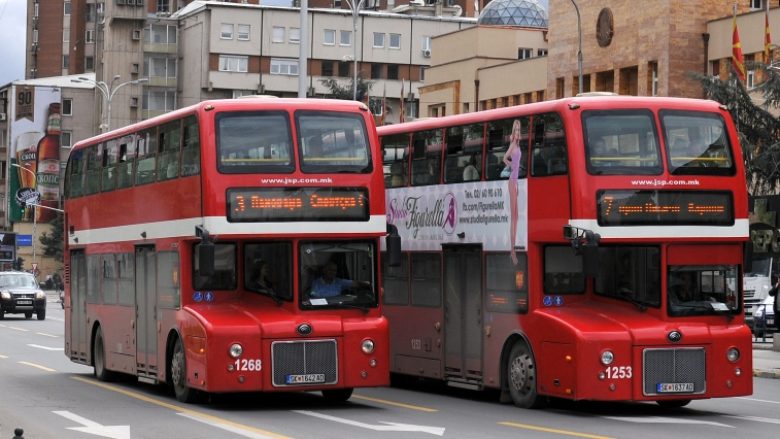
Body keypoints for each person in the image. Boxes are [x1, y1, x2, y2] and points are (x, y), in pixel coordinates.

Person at [503, 119, 522, 265]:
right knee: (513, 218)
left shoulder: (518, 146)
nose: (517, 133)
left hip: (516, 182)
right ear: (512, 133)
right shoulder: (512, 146)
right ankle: (512, 251)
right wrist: (512, 167)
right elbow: (504, 158)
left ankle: (513, 250)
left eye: (519, 130)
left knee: (516, 217)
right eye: (515, 130)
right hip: (512, 181)